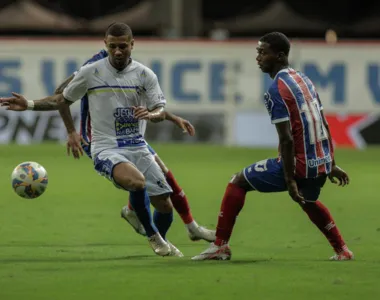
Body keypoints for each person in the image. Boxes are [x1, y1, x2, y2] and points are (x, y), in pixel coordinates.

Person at [1, 22, 184, 257]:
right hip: (106, 147)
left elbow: (160, 109)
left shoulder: (145, 74)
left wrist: (151, 114)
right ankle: (152, 235)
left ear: (132, 45)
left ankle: (161, 237)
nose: (118, 52)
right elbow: (62, 99)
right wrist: (31, 106)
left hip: (138, 147)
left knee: (165, 205)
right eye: (113, 47)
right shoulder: (91, 72)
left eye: (123, 47)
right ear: (105, 45)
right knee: (136, 183)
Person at [192, 32, 353, 261]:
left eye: (263, 52)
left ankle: (220, 246)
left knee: (237, 182)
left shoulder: (276, 90)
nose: (258, 57)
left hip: (298, 164)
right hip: (320, 161)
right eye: (257, 52)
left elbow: (286, 139)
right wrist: (331, 163)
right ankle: (342, 250)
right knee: (308, 201)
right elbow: (322, 121)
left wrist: (289, 180)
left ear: (279, 56)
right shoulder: (304, 80)